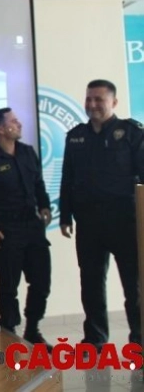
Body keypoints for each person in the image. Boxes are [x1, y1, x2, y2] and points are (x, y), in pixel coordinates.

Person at [59, 79, 144, 351]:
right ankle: (94, 340)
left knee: (134, 286)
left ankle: (139, 340)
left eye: (99, 99)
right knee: (91, 284)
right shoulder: (76, 136)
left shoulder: (131, 133)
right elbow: (67, 177)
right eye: (89, 99)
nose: (92, 104)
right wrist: (64, 216)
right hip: (89, 223)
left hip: (125, 222)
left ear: (114, 102)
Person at [0, 107, 53, 350]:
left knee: (41, 283)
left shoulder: (27, 152)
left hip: (33, 228)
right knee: (8, 286)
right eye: (14, 121)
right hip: (7, 230)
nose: (19, 124)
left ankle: (33, 330)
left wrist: (44, 205)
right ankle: (9, 332)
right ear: (1, 129)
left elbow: (38, 184)